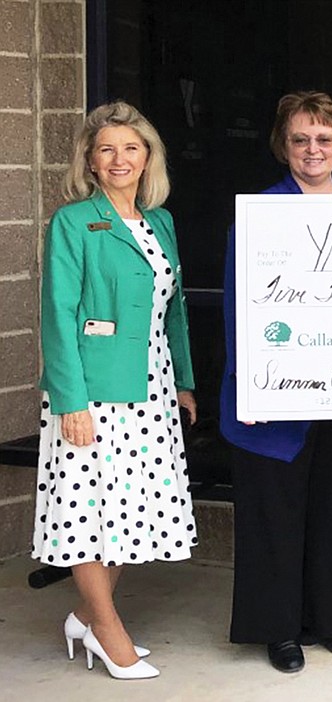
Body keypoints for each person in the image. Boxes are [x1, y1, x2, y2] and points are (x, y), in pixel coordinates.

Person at [32, 101, 198, 680]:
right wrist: (70, 401)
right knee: (88, 509)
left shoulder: (161, 221)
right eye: (107, 149)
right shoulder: (74, 222)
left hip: (151, 386)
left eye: (131, 147)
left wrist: (183, 381)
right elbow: (58, 314)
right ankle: (107, 629)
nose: (120, 158)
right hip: (93, 390)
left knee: (130, 511)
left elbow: (174, 311)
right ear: (91, 162)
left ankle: (84, 616)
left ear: (147, 157)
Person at [220, 91, 332, 674]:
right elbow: (242, 305)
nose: (313, 149)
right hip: (279, 387)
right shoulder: (263, 212)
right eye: (300, 139)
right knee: (275, 511)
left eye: (324, 139)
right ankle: (279, 630)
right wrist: (252, 382)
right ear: (283, 146)